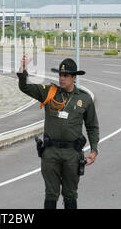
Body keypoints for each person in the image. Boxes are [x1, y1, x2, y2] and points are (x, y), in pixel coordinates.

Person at [17, 56, 100, 209]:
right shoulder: (50, 92)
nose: (62, 79)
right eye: (60, 75)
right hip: (51, 153)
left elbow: (92, 126)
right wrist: (23, 71)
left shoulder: (84, 99)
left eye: (66, 75)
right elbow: (26, 88)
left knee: (70, 195)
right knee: (51, 194)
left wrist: (94, 149)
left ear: (74, 77)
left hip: (72, 155)